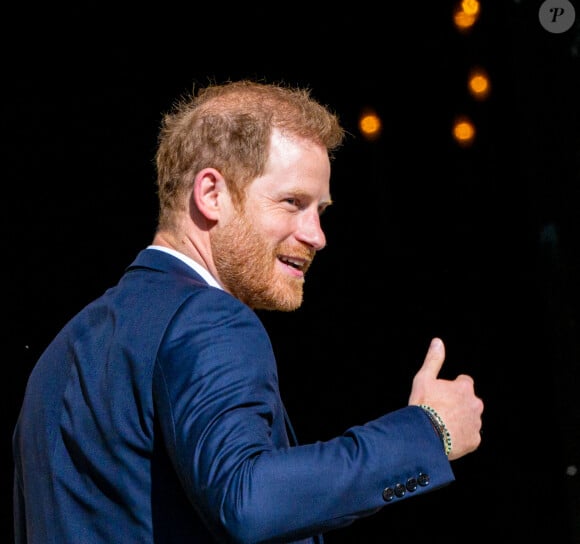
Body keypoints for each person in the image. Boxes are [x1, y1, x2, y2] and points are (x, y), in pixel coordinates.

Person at [12, 79, 484, 543]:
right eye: (292, 203)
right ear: (211, 195)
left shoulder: (58, 358)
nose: (317, 235)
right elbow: (247, 499)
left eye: (320, 209)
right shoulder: (209, 318)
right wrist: (428, 431)